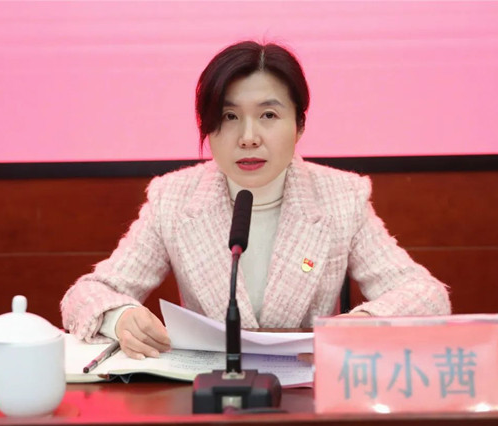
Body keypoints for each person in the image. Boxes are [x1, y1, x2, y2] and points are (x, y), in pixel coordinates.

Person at [61, 40, 451, 360]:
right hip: (210, 395)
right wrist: (119, 317)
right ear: (208, 127)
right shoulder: (174, 199)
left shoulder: (341, 197)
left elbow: (427, 295)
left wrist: (363, 325)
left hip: (308, 397)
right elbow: (86, 294)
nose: (248, 137)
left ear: (299, 125)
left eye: (268, 115)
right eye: (230, 117)